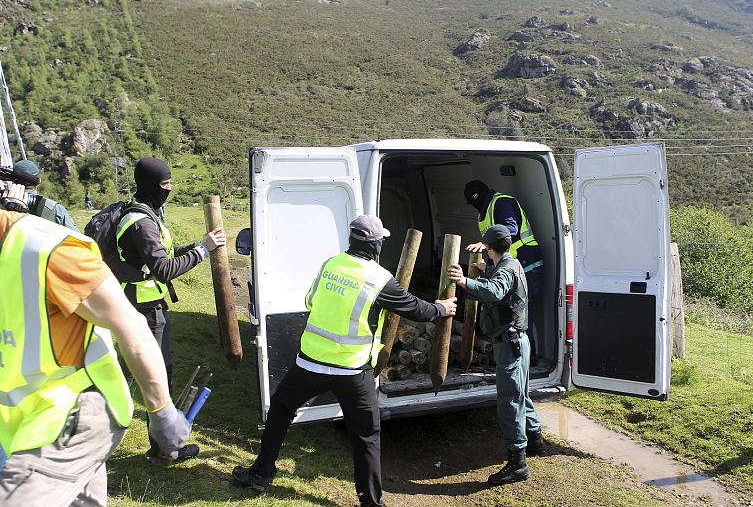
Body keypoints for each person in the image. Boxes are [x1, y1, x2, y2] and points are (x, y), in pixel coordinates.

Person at [231, 215, 458, 506]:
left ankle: (261, 474)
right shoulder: (379, 279)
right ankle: (370, 503)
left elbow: (310, 301)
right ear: (376, 245)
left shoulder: (331, 264)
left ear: (351, 240)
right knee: (366, 436)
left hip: (310, 363)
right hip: (352, 372)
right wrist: (440, 308)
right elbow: (414, 308)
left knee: (281, 408)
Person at [0, 182, 191, 506]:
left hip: (74, 417)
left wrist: (162, 411)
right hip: (28, 424)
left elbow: (132, 323)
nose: (169, 188)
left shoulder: (49, 250)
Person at [115, 157, 226, 464]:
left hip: (143, 305)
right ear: (150, 184)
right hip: (146, 310)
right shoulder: (141, 222)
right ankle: (164, 450)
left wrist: (197, 245)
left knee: (154, 375)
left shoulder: (144, 213)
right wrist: (203, 250)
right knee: (158, 378)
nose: (170, 188)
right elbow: (163, 269)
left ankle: (161, 446)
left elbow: (160, 254)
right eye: (165, 184)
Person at [448, 224, 545, 486]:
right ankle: (535, 441)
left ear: (489, 248)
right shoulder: (511, 263)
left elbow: (494, 291)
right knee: (521, 393)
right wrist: (485, 270)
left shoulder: (506, 270)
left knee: (509, 400)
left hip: (510, 345)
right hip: (518, 342)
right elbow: (500, 277)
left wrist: (464, 281)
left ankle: (517, 463)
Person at [463, 180, 543, 363]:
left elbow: (511, 230)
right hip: (512, 268)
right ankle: (517, 357)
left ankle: (528, 360)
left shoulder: (501, 202)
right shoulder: (483, 214)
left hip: (527, 264)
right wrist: (489, 269)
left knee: (521, 314)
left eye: (475, 201)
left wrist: (484, 243)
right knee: (509, 314)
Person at [13, 159, 79, 232]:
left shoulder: (4, 206)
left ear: (12, 181)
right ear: (39, 181)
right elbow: (77, 237)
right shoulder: (55, 209)